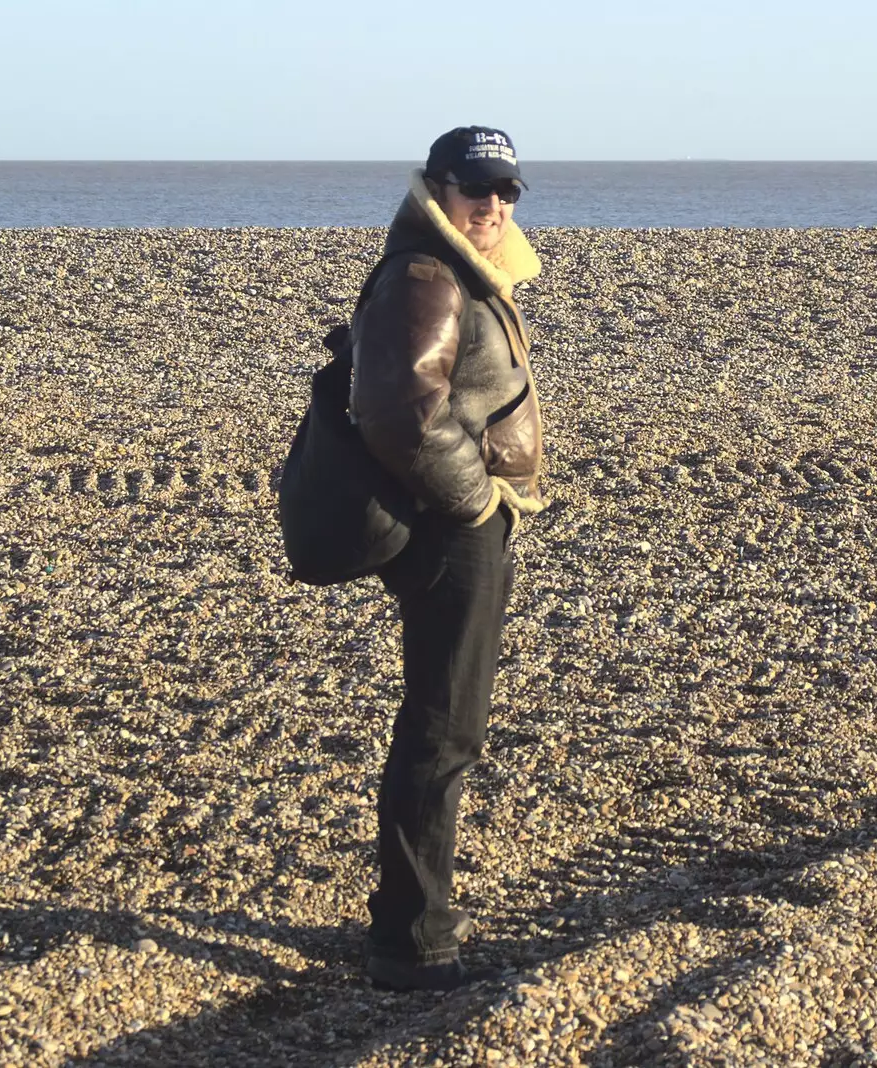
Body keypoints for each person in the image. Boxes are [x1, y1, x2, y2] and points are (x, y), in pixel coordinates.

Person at [348, 126, 546, 991]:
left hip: (459, 521)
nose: (493, 205)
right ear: (437, 187)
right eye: (476, 189)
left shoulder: (462, 269)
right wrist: (477, 500)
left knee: (441, 721)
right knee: (443, 729)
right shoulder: (428, 275)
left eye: (506, 190)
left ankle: (406, 917)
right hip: (449, 527)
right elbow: (402, 415)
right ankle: (415, 941)